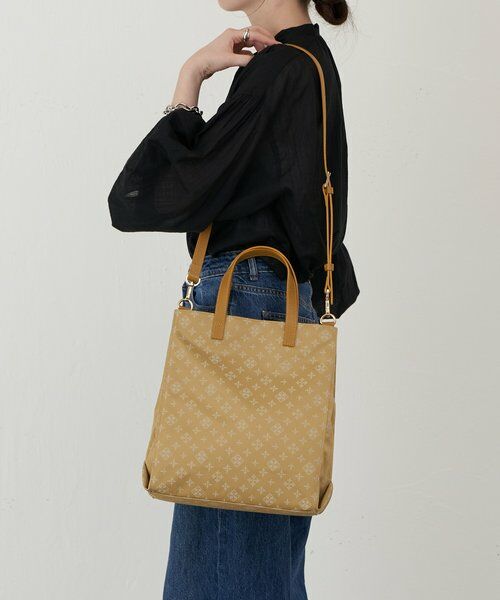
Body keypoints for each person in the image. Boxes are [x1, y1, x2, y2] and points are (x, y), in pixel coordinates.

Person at [108, 1, 360, 598]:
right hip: (278, 306)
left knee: (226, 560)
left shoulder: (280, 69)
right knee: (257, 555)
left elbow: (152, 196)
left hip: (245, 302)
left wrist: (191, 77)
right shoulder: (310, 61)